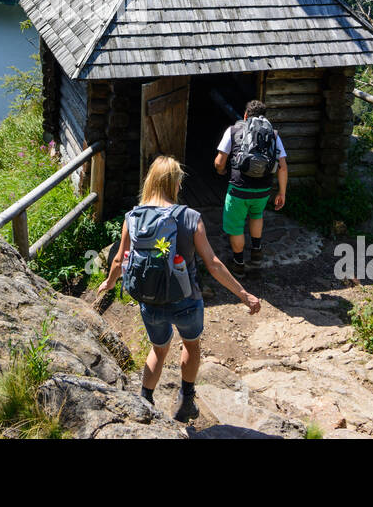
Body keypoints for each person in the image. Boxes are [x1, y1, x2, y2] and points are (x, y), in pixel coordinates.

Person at [97, 155, 260, 423]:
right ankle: (186, 400)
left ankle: (144, 403)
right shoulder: (190, 217)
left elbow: (119, 258)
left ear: (150, 181)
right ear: (176, 183)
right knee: (191, 345)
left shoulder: (133, 217)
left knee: (159, 350)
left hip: (150, 301)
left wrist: (110, 282)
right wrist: (243, 295)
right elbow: (213, 264)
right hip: (186, 298)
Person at [214, 99, 288, 275]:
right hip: (263, 189)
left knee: (236, 226)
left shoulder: (233, 130)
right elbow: (283, 166)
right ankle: (256, 252)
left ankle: (238, 264)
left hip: (239, 188)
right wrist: (282, 193)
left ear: (245, 115)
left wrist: (221, 171)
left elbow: (219, 161)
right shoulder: (274, 135)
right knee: (256, 215)